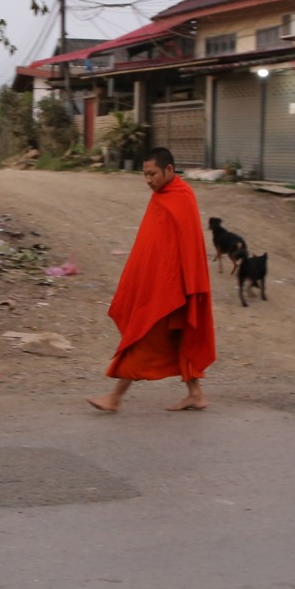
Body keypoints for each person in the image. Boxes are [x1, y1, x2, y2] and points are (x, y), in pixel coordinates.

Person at [88, 146, 215, 414]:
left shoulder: (181, 197)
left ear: (169, 170)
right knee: (180, 339)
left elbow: (186, 248)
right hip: (166, 286)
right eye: (144, 175)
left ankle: (115, 397)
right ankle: (196, 394)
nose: (148, 180)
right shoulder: (163, 196)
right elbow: (154, 245)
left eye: (152, 174)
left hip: (173, 289)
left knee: (142, 339)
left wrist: (179, 286)